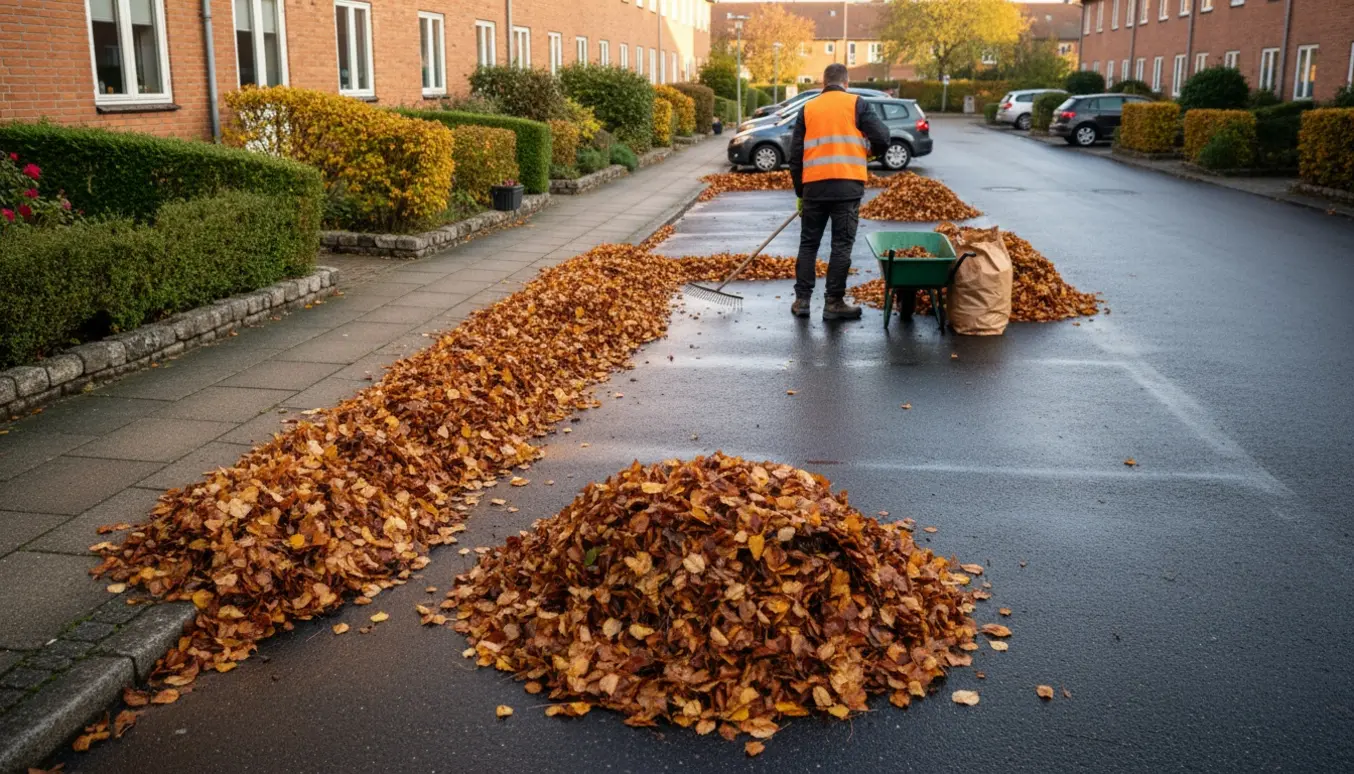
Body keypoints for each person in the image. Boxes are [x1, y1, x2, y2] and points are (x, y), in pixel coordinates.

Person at [788, 63, 891, 320]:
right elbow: (883, 136)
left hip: (814, 187)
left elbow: (795, 156)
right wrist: (871, 152)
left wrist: (800, 192)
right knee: (841, 245)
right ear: (846, 83)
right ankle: (833, 303)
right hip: (847, 186)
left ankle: (802, 301)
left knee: (809, 244)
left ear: (824, 83)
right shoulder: (857, 103)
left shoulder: (808, 108)